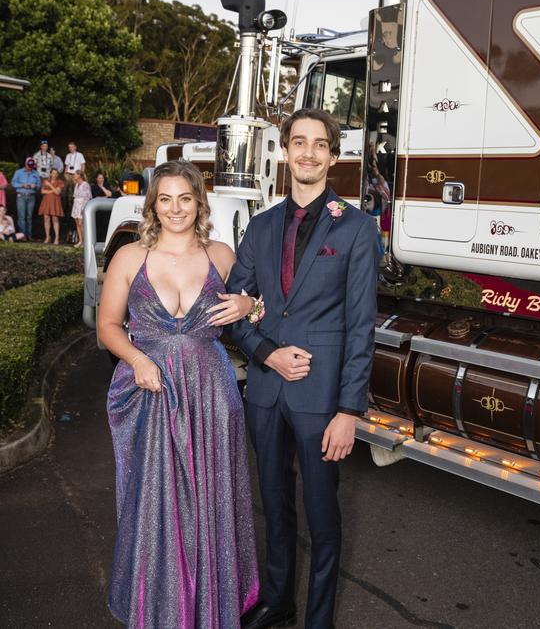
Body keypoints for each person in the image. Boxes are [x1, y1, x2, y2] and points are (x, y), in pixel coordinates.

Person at [229, 108, 379, 629]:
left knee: (322, 515)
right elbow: (234, 307)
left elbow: (362, 326)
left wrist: (348, 410)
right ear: (285, 152)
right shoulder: (262, 226)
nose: (308, 152)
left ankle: (318, 619)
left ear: (333, 156)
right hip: (266, 391)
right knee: (274, 504)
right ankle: (277, 599)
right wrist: (266, 352)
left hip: (322, 399)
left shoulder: (358, 228)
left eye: (320, 144)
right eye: (299, 142)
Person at [98, 160, 259, 628]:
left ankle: (210, 607)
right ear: (153, 204)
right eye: (164, 199)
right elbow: (107, 326)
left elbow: (256, 311)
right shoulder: (131, 257)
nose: (175, 208)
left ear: (199, 203)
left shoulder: (222, 256)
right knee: (155, 502)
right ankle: (158, 607)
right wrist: (138, 359)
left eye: (184, 198)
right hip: (151, 391)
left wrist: (250, 304)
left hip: (211, 393)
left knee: (211, 500)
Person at [11, 157, 41, 240]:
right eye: (28, 165)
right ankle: (23, 236)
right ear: (25, 164)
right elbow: (13, 183)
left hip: (31, 197)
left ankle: (29, 235)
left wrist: (35, 186)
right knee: (21, 217)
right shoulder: (18, 172)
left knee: (29, 217)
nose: (29, 167)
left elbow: (39, 185)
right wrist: (22, 185)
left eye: (31, 166)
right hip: (21, 196)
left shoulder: (35, 173)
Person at [38, 168, 65, 244]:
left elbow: (57, 192)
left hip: (55, 201)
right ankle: (47, 236)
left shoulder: (60, 182)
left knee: (55, 219)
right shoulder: (45, 181)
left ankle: (56, 238)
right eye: (53, 173)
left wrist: (49, 185)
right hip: (46, 201)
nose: (54, 175)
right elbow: (42, 191)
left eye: (56, 174)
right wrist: (52, 190)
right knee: (46, 218)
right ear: (51, 173)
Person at [70, 171, 91, 247]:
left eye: (75, 174)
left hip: (82, 204)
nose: (74, 176)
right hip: (76, 205)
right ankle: (80, 241)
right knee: (77, 224)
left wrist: (83, 208)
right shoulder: (76, 185)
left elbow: (87, 197)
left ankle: (85, 242)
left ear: (79, 175)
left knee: (81, 223)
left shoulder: (85, 184)